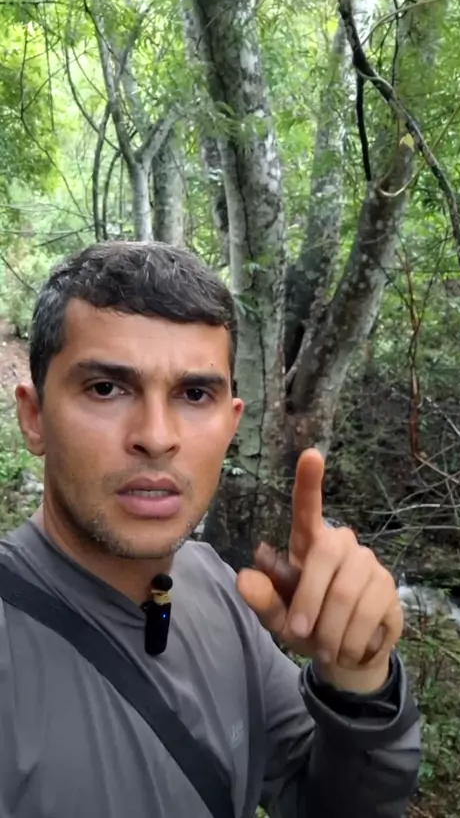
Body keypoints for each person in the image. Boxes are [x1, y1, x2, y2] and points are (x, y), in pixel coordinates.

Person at [0, 241, 420, 818]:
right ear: (35, 416)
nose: (156, 436)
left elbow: (328, 802)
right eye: (106, 388)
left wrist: (360, 682)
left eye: (194, 394)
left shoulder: (215, 585)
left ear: (230, 424)